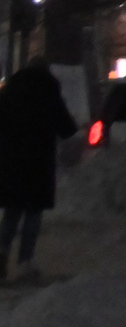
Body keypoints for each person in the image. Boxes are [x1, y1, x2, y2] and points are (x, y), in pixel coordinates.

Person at [0, 58, 79, 283]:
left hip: (11, 163)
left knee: (12, 213)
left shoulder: (9, 93)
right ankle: (25, 262)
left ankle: (1, 253)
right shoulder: (49, 93)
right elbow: (67, 129)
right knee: (33, 214)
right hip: (38, 163)